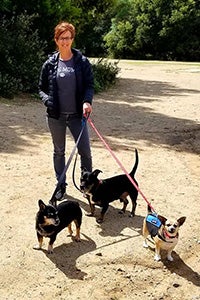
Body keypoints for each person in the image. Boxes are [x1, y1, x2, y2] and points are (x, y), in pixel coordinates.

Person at [38, 21, 94, 200]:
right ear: (56, 40)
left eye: (68, 38)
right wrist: (48, 101)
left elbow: (89, 85)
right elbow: (41, 88)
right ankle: (60, 185)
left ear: (72, 39)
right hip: (56, 117)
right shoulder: (49, 63)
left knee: (85, 151)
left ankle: (88, 185)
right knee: (59, 151)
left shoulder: (81, 61)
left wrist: (86, 101)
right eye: (62, 38)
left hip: (78, 116)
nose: (65, 41)